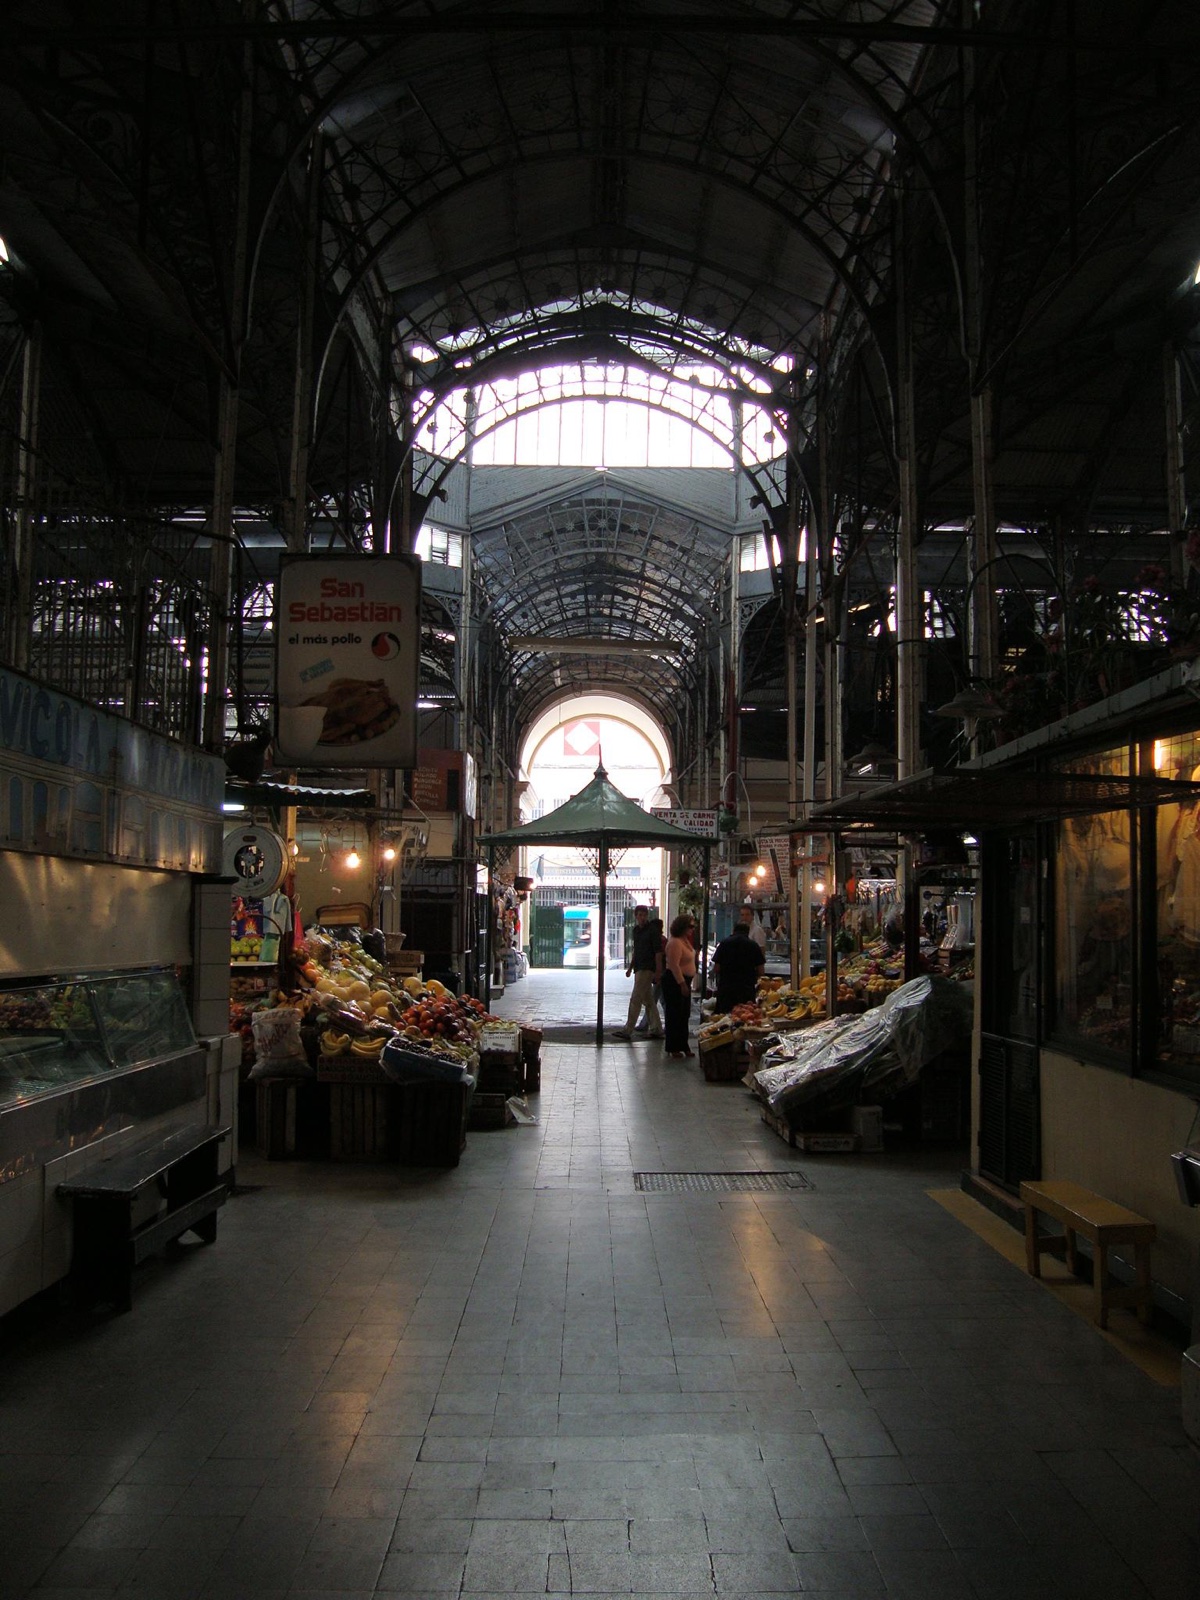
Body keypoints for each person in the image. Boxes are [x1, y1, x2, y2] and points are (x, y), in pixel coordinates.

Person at [611, 905, 663, 1041]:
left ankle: (628, 1029)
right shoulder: (636, 931)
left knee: (636, 998)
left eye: (644, 915)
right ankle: (656, 1029)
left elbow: (658, 952)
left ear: (647, 916)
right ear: (636, 916)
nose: (642, 918)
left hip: (647, 968)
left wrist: (658, 971)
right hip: (639, 968)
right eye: (640, 915)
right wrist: (630, 968)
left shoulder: (652, 931)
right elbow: (636, 950)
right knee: (648, 1000)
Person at [662, 912, 697, 1058]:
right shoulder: (675, 943)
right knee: (674, 1014)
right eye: (690, 926)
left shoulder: (685, 941)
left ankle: (683, 1044)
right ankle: (673, 1046)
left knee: (684, 1014)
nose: (692, 929)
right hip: (675, 981)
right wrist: (682, 983)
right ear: (682, 927)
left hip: (685, 980)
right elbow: (674, 965)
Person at [711, 920, 765, 1014]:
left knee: (723, 1018)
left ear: (733, 931)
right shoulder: (753, 946)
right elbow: (761, 971)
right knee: (745, 1016)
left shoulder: (724, 943)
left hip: (726, 990)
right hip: (746, 990)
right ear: (748, 932)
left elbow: (716, 968)